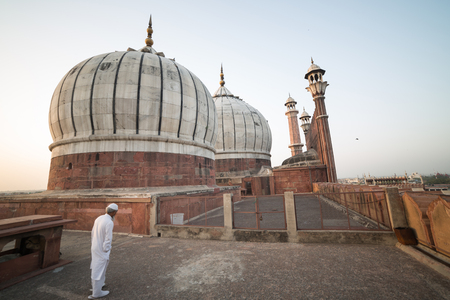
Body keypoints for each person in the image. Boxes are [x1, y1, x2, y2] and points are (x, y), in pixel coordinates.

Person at [89, 203, 118, 299]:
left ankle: (97, 286)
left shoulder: (99, 218)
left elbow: (92, 233)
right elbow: (108, 239)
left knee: (96, 267)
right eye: (116, 212)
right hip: (101, 249)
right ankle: (96, 293)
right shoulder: (109, 222)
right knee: (99, 269)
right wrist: (106, 250)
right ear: (113, 212)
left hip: (95, 246)